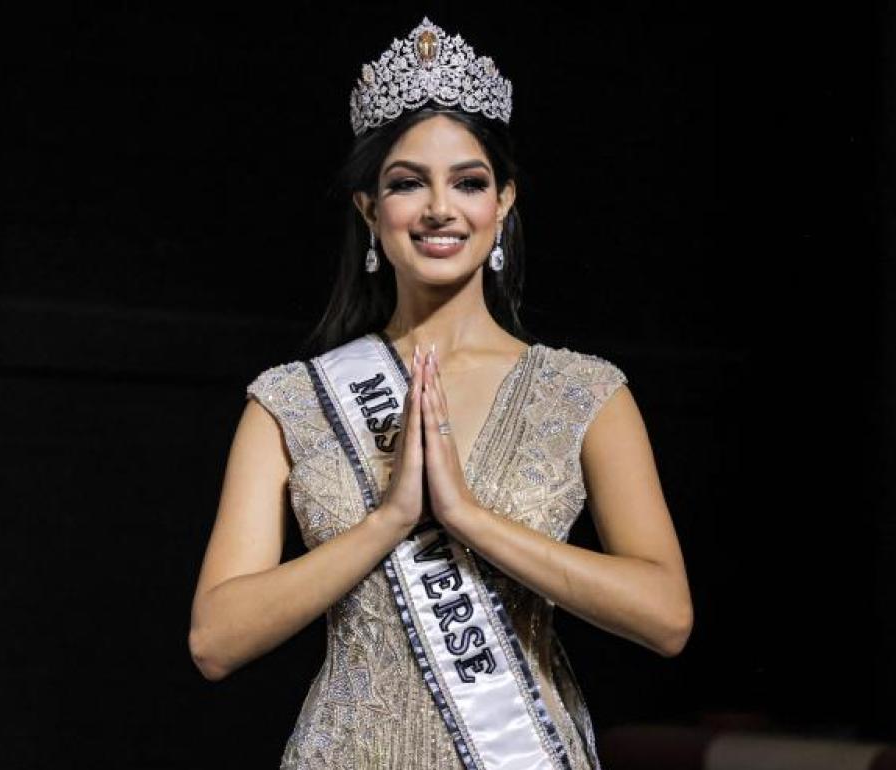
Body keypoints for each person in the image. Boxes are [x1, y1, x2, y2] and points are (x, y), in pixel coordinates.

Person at [188, 17, 692, 769]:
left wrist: (466, 518)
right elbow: (215, 640)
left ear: (503, 203)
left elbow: (666, 618)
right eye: (406, 183)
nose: (438, 208)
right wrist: (390, 520)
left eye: (468, 182)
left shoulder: (585, 392)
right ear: (369, 209)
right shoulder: (292, 401)